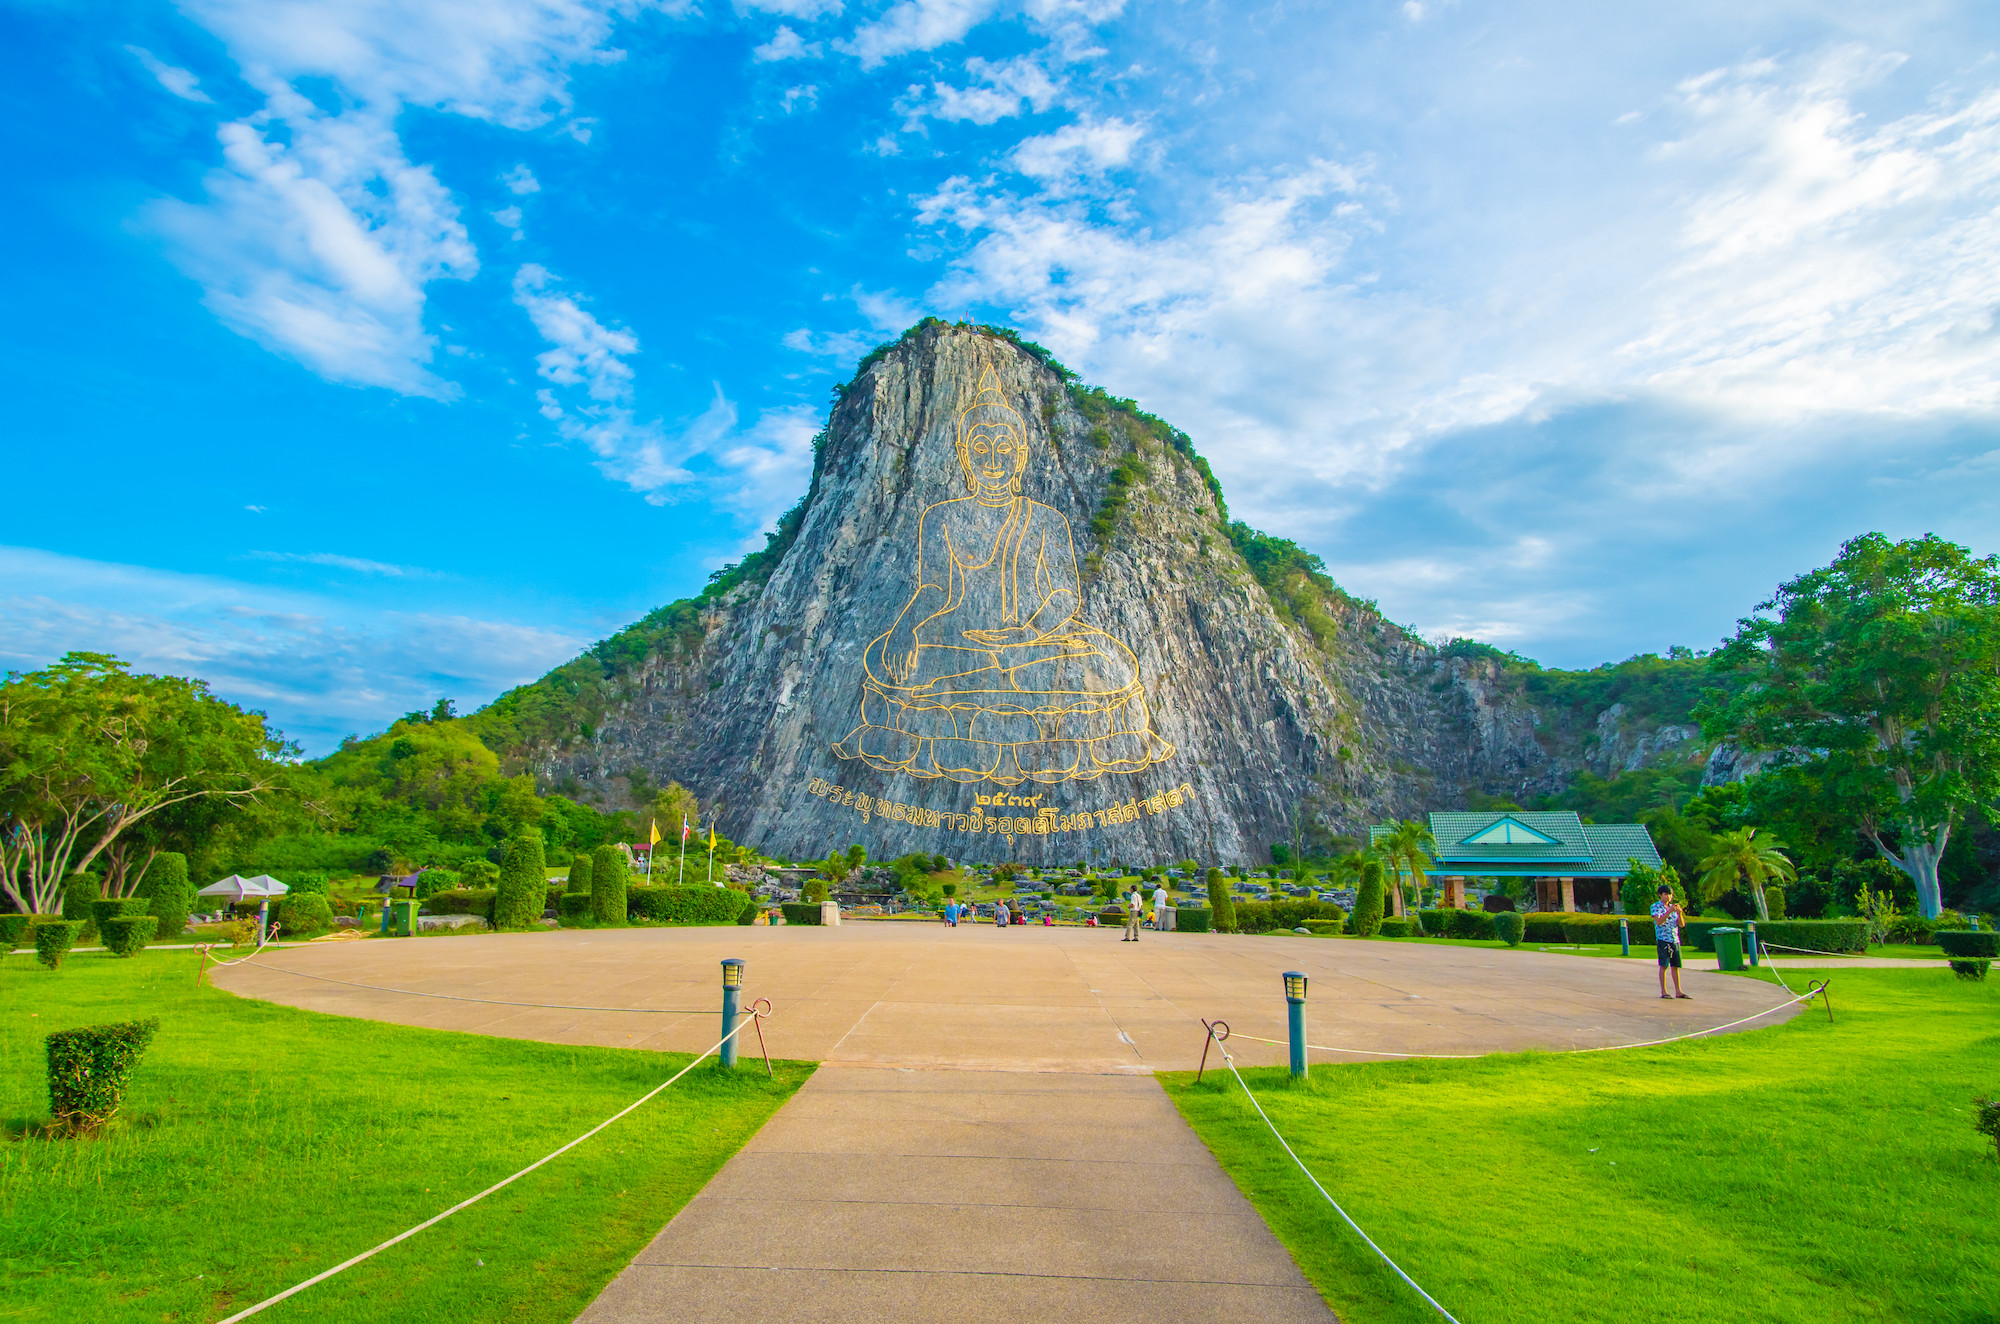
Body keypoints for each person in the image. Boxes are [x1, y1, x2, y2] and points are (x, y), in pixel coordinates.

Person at [1652, 883, 1690, 999]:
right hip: (1663, 939)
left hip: (1675, 939)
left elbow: (1681, 925)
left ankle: (1678, 991)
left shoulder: (1673, 907)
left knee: (1675, 966)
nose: (1668, 897)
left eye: (1670, 895)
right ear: (1660, 895)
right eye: (1665, 894)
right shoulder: (1656, 907)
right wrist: (1668, 912)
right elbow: (1658, 922)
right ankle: (1664, 991)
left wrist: (1679, 913)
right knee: (1664, 965)